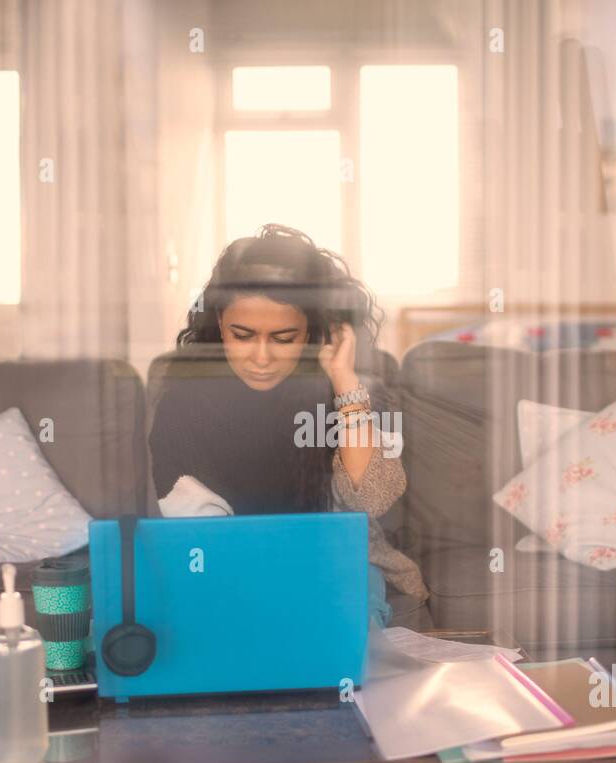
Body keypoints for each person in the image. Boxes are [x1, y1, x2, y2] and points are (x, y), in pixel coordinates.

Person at [148, 224, 428, 628]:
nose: (261, 357)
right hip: (228, 562)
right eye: (242, 335)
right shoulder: (184, 395)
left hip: (332, 559)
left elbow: (372, 499)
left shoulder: (350, 392)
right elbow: (173, 519)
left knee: (337, 619)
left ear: (313, 333)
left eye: (283, 337)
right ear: (219, 326)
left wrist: (344, 381)